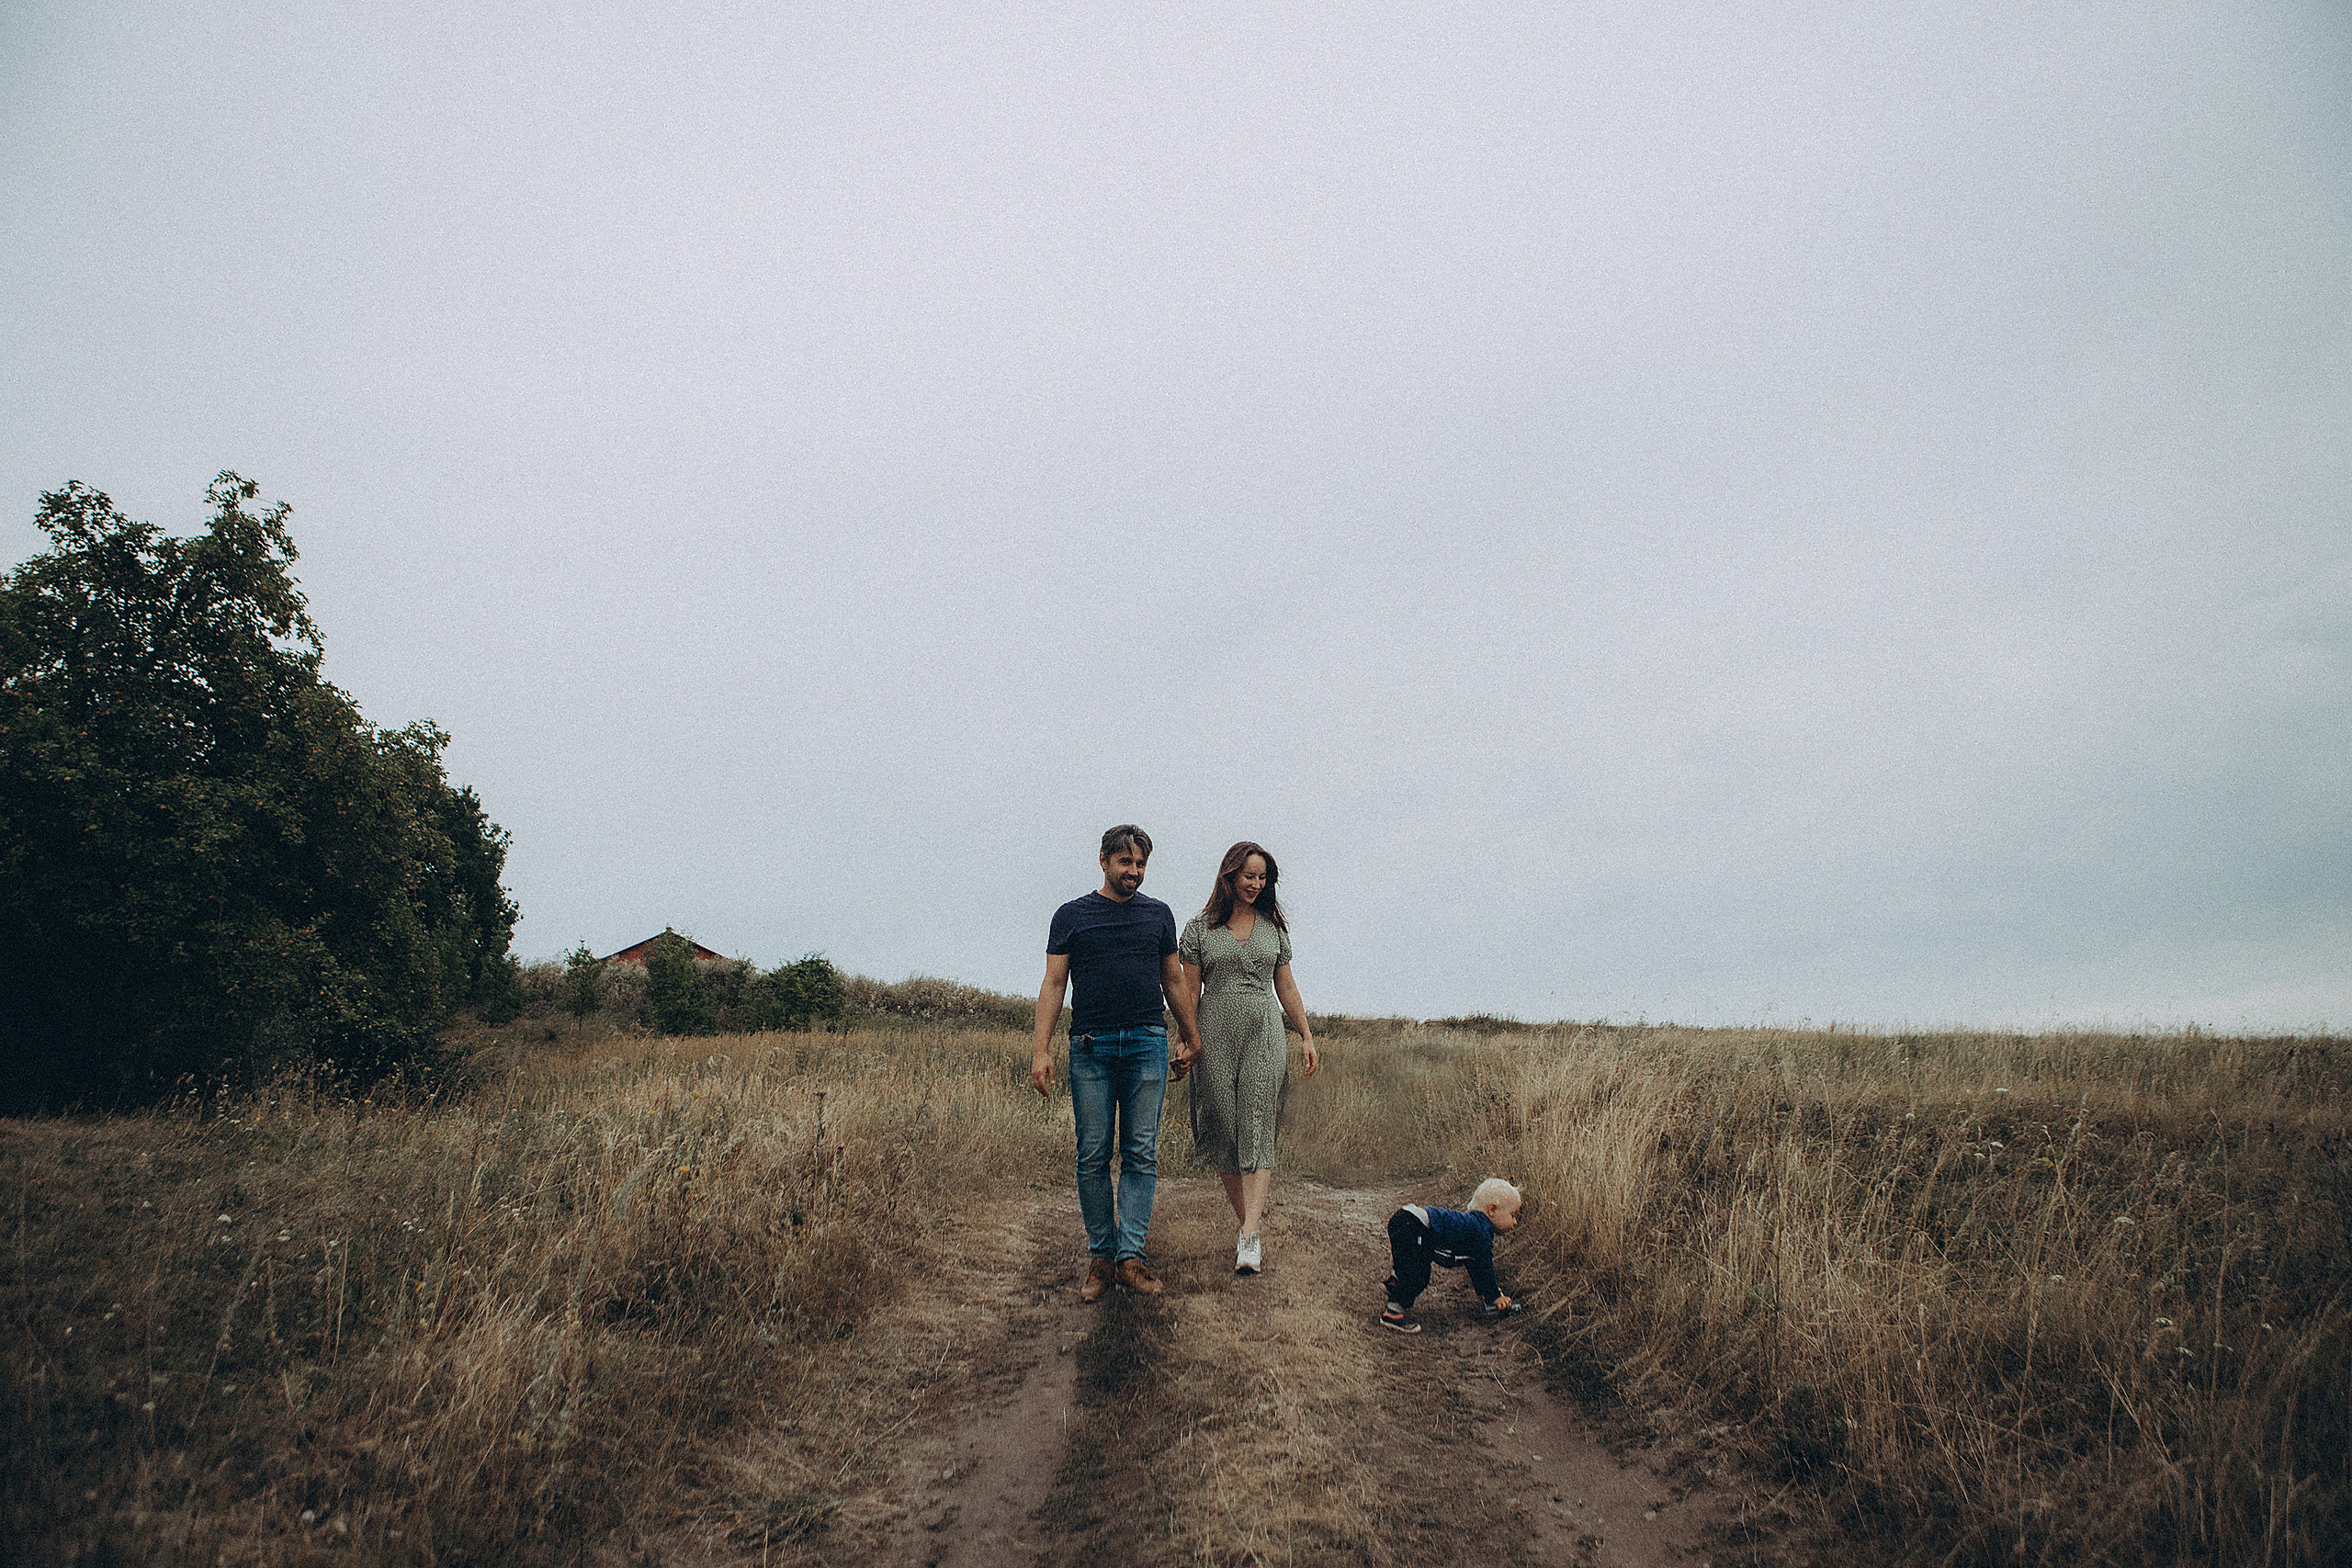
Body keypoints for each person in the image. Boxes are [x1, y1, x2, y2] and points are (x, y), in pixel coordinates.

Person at [1033, 824, 1202, 1300]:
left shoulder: (1159, 916)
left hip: (1148, 1042)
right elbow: (1053, 984)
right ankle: (1101, 1259)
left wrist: (1191, 1037)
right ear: (1103, 860)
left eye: (1141, 864)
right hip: (1091, 1046)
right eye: (1125, 862)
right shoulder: (1071, 915)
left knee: (1141, 1152)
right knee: (1092, 1154)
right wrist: (1040, 1050)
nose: (1134, 872)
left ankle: (1131, 1258)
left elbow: (1173, 977)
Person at [1178, 840, 1318, 1276]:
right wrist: (1187, 1039)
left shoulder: (1274, 929)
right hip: (1214, 1032)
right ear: (1230, 877)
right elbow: (1188, 992)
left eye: (1263, 877)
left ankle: (1251, 1235)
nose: (1256, 884)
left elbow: (1287, 987)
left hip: (1264, 1031)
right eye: (1249, 876)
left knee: (1257, 1124)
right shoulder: (1201, 929)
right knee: (1223, 1126)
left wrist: (1306, 1035)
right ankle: (1248, 1226)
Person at [1379, 1179, 1522, 1333]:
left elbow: (1475, 1266)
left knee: (1412, 1260)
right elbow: (1484, 1267)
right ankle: (1392, 1314)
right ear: (1492, 1210)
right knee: (1419, 1274)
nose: (1514, 1223)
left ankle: (1396, 1282)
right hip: (1414, 1224)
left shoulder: (1472, 1226)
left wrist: (1490, 1293)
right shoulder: (1481, 1232)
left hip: (1406, 1218)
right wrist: (1495, 1296)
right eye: (1512, 1215)